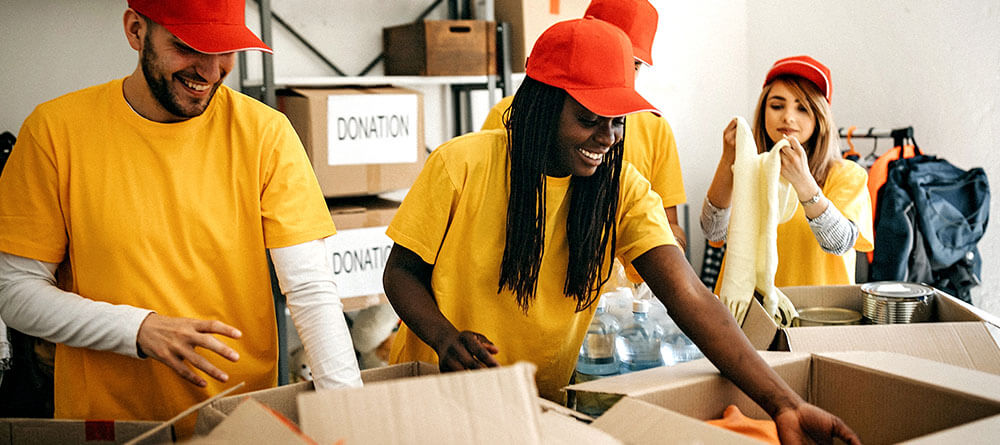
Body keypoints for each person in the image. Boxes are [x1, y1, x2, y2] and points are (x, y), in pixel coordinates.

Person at [383, 18, 860, 444]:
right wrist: (445, 338)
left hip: (534, 404)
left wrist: (786, 406)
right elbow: (401, 273)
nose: (608, 138)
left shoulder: (620, 190)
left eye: (616, 121)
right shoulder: (460, 165)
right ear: (542, 106)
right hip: (435, 393)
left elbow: (692, 298)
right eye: (588, 119)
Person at [0, 0, 361, 435]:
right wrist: (138, 329)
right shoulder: (55, 131)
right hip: (110, 427)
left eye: (225, 50)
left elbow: (310, 290)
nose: (209, 70)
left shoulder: (266, 134)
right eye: (188, 46)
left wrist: (354, 421)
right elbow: (15, 291)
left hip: (240, 423)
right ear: (136, 30)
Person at [481, 0, 688, 252]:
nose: (606, 138)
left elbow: (668, 225)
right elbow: (489, 211)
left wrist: (662, 255)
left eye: (632, 65)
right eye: (606, 55)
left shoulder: (654, 129)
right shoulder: (513, 116)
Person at [702, 55, 874, 288]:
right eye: (777, 106)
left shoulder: (847, 175)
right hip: (748, 305)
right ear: (763, 111)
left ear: (819, 118)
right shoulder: (750, 167)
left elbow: (839, 243)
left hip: (819, 307)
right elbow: (713, 231)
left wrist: (803, 182)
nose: (788, 117)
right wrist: (727, 160)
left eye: (802, 108)